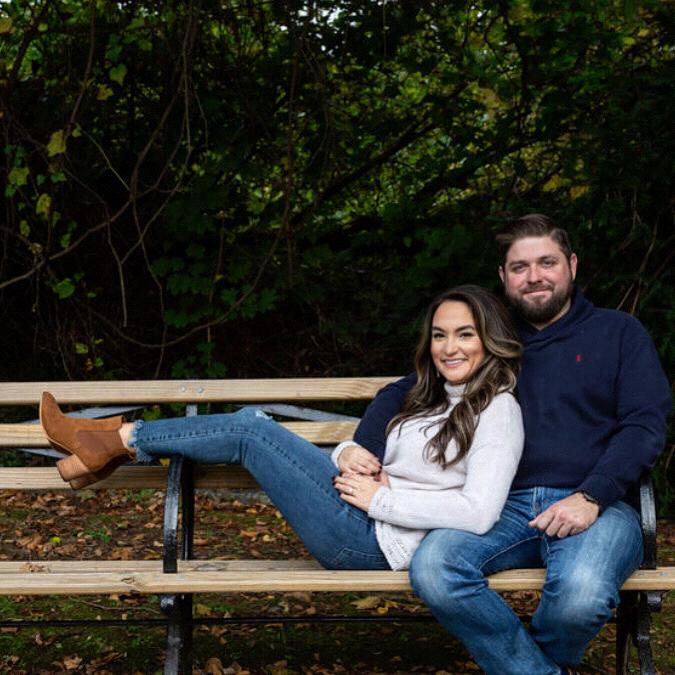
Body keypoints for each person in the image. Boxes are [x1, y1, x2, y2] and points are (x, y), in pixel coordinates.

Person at [348, 214, 672, 674]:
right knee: (435, 568)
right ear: (504, 276)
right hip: (501, 507)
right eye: (520, 267)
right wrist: (362, 450)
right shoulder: (491, 339)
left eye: (547, 263)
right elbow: (402, 391)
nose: (534, 276)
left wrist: (592, 495)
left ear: (572, 265)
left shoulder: (619, 333)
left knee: (579, 597)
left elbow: (644, 425)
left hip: (596, 504)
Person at [40, 285, 524, 572]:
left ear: (490, 340)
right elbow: (378, 459)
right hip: (361, 513)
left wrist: (382, 500)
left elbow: (479, 512)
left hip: (373, 541)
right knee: (251, 423)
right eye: (440, 335)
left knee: (251, 432)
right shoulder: (431, 395)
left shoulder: (498, 410)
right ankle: (101, 451)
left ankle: (116, 439)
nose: (448, 348)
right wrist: (346, 453)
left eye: (465, 334)